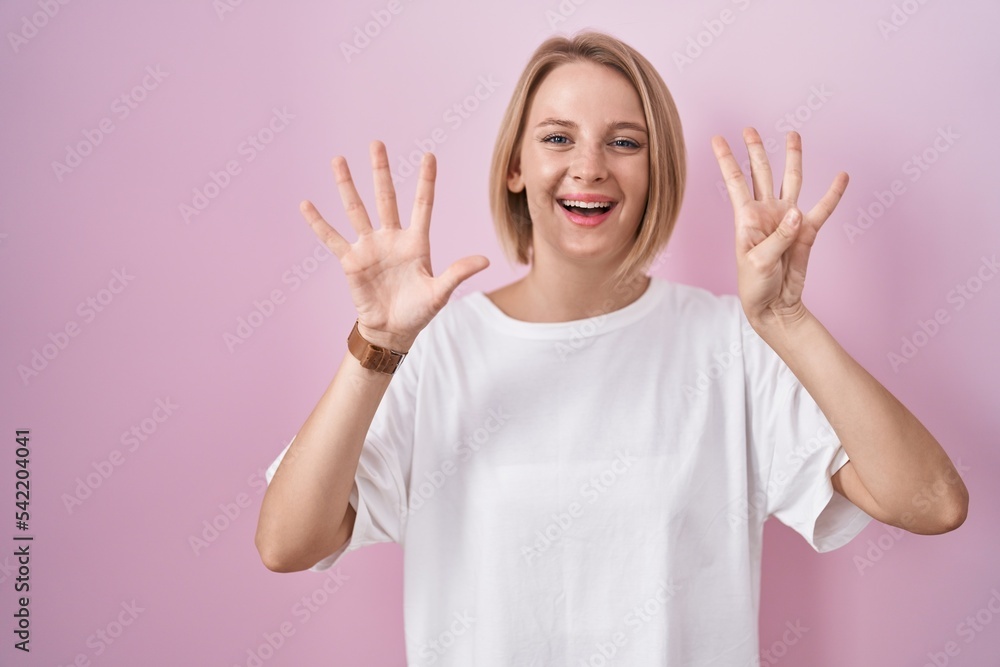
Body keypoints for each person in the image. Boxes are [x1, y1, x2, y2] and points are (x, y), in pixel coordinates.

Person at [255, 30, 968, 665]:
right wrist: (378, 344)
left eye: (624, 141)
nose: (589, 166)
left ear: (654, 172)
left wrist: (786, 318)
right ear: (515, 167)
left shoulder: (730, 344)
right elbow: (288, 542)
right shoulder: (435, 353)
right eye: (558, 137)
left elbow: (931, 501)